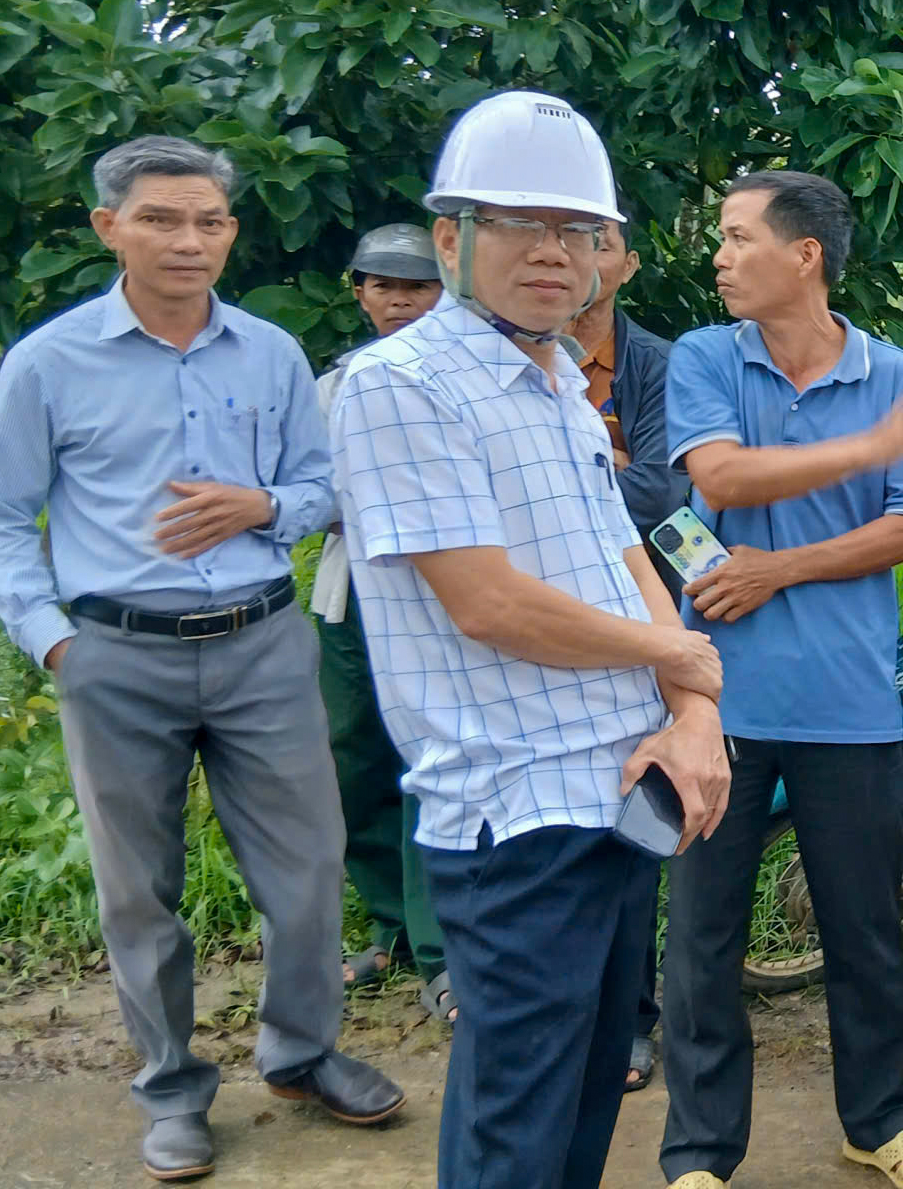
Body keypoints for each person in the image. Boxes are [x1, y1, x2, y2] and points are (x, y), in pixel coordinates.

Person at [0, 135, 405, 1182]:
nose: (189, 240)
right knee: (138, 891)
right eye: (163, 218)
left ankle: (301, 1055)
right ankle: (170, 1088)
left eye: (210, 220)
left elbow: (326, 489)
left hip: (261, 641)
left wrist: (264, 507)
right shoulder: (50, 362)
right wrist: (56, 641)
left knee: (305, 873)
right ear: (108, 227)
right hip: (116, 654)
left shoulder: (268, 354)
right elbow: (1, 521)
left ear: (231, 232)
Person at [331, 90, 731, 1189]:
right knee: (517, 1127)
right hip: (516, 817)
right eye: (521, 225)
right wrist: (681, 661)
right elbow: (488, 603)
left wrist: (695, 708)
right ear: (452, 239)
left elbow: (628, 558)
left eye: (579, 230)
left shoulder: (556, 380)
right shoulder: (397, 386)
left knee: (591, 1091)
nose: (554, 253)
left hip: (618, 789)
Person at [659, 170, 903, 1189]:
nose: (719, 255)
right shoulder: (708, 356)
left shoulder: (889, 374)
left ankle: (880, 1123)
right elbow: (722, 479)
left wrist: (777, 566)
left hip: (848, 700)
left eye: (739, 237)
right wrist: (870, 449)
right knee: (704, 937)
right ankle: (699, 1154)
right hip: (719, 703)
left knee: (865, 931)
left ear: (805, 256)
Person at [566, 208, 696, 1093]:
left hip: (638, 606)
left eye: (598, 240)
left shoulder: (658, 364)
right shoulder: (510, 362)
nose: (579, 256)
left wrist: (576, 472)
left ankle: (630, 1019)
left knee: (632, 815)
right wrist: (609, 462)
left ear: (627, 265)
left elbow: (667, 485)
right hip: (534, 625)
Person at [312, 222, 453, 1024]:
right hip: (349, 596)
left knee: (428, 761)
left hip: (439, 603)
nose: (398, 300)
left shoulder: (456, 375)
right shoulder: (332, 385)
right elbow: (302, 492)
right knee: (356, 756)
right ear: (358, 292)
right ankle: (391, 930)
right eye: (382, 285)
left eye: (416, 286)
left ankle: (441, 951)